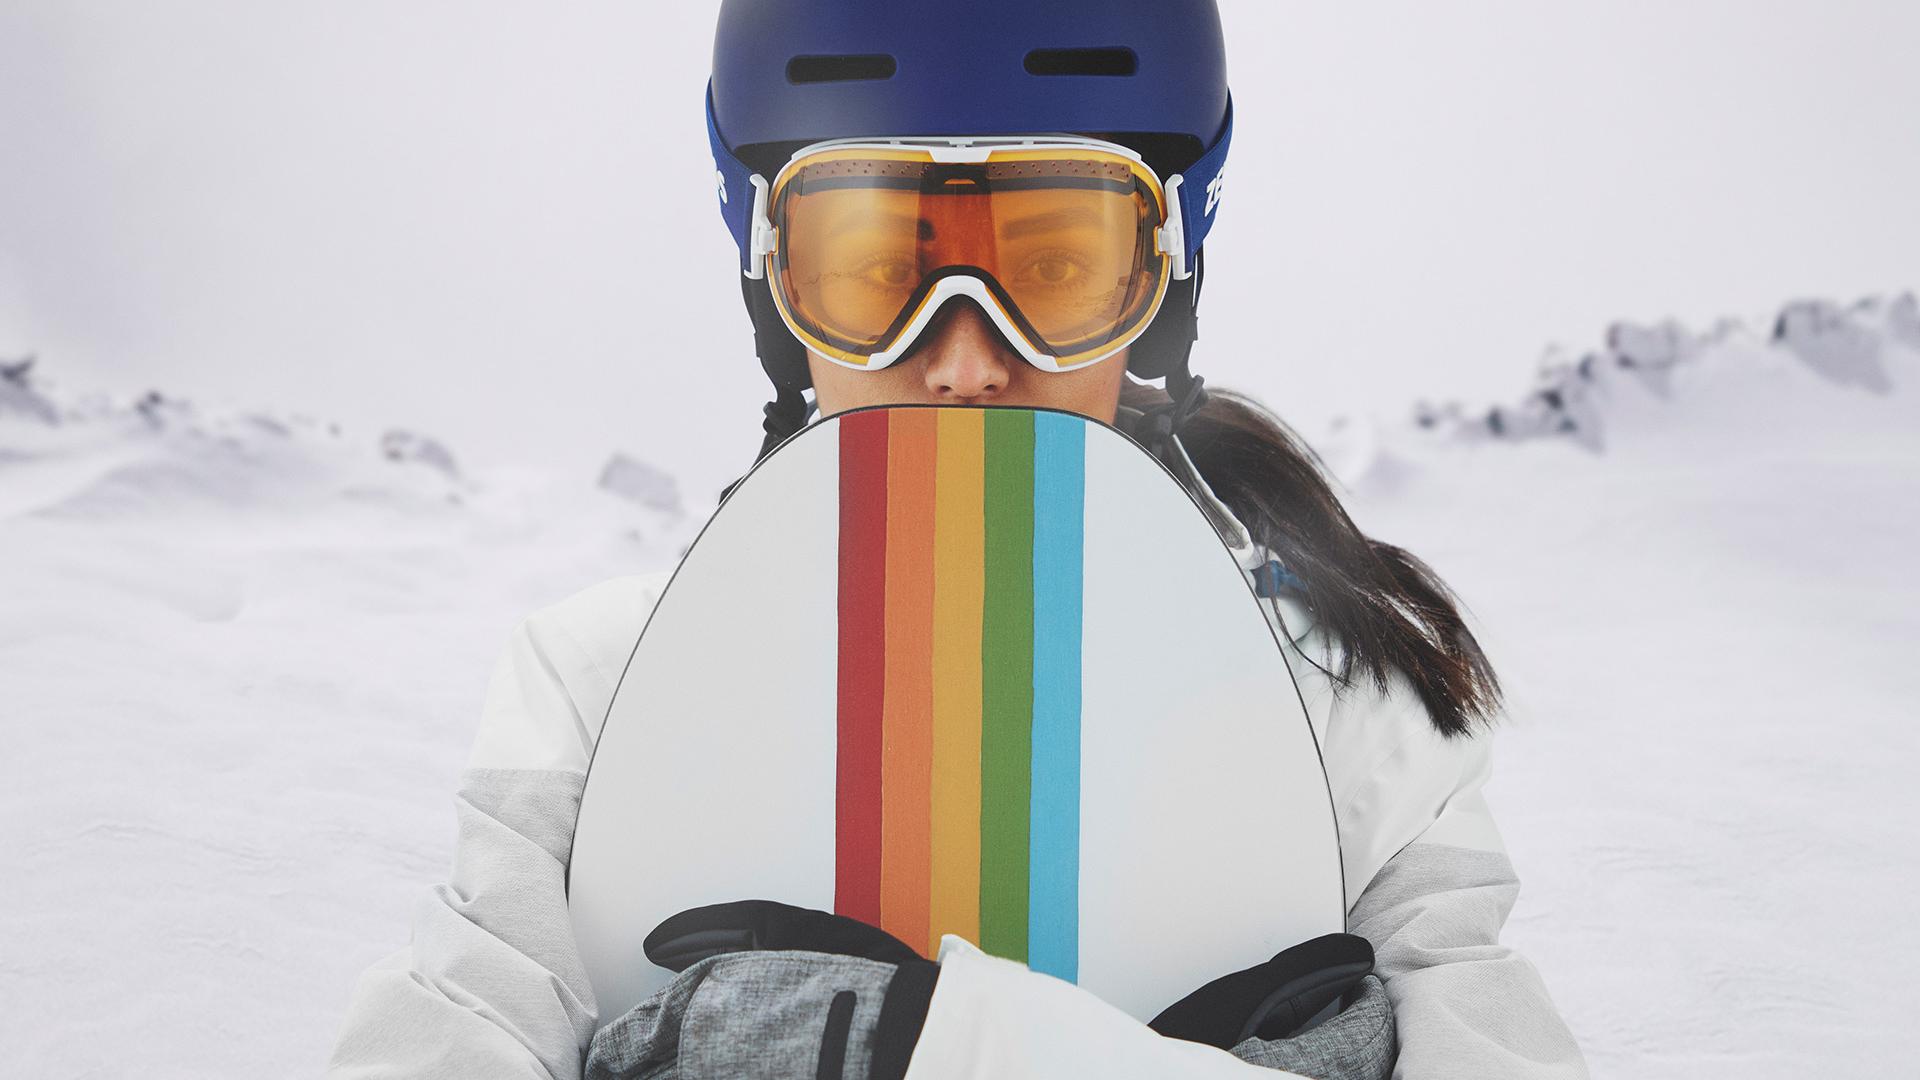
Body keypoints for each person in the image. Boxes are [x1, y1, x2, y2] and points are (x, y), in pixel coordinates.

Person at [327, 2, 1590, 1077]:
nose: (967, 355)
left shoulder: (1348, 694)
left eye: (1054, 268)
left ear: (1163, 278)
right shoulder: (595, 678)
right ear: (774, 279)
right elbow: (460, 1020)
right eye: (876, 271)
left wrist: (959, 1046)